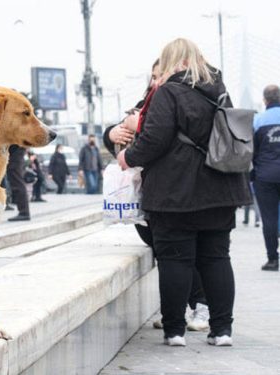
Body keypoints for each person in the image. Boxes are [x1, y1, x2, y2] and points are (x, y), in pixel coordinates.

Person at [118, 38, 252, 347]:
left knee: (175, 260)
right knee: (217, 257)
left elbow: (154, 138)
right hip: (220, 189)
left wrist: (129, 157)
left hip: (174, 193)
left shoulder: (168, 92)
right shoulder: (220, 91)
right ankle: (222, 331)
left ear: (170, 62)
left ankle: (175, 331)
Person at [106, 58, 210, 333]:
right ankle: (174, 312)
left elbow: (161, 136)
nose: (154, 81)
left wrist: (138, 125)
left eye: (158, 75)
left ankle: (200, 305)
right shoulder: (149, 101)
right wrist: (112, 133)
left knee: (182, 253)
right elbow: (122, 137)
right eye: (152, 76)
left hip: (178, 192)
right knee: (166, 254)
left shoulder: (187, 99)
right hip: (151, 194)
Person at [252, 84, 280, 271]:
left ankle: (272, 259)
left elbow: (251, 151)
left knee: (269, 219)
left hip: (265, 177)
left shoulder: (258, 120)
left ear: (265, 100)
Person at [6, 145, 31, 221]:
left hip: (15, 153)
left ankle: (24, 212)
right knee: (17, 182)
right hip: (17, 152)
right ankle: (24, 212)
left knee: (17, 183)